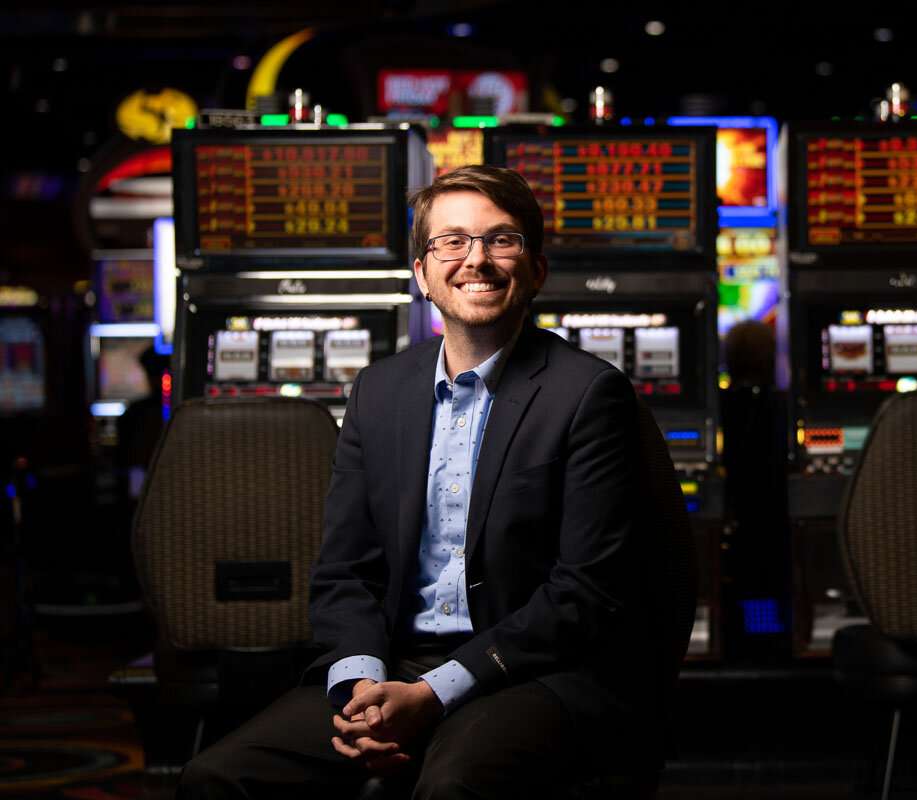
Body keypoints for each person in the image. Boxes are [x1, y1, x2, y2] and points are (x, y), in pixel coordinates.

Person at [177, 165, 667, 799]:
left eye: (502, 240)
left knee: (448, 789)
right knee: (216, 778)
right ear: (422, 274)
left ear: (536, 270)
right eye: (453, 241)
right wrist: (361, 689)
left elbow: (583, 594)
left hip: (532, 671)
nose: (477, 260)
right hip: (393, 664)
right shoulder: (378, 391)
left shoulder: (588, 392)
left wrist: (432, 694)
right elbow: (345, 571)